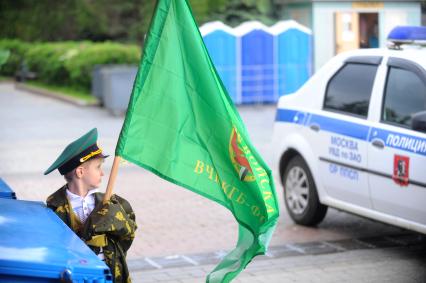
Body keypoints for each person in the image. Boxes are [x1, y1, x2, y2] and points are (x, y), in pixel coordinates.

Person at [44, 128, 137, 283]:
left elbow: (127, 235)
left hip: (109, 275)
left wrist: (111, 219)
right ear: (80, 172)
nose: (102, 173)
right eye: (98, 167)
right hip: (77, 276)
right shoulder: (55, 209)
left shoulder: (109, 203)